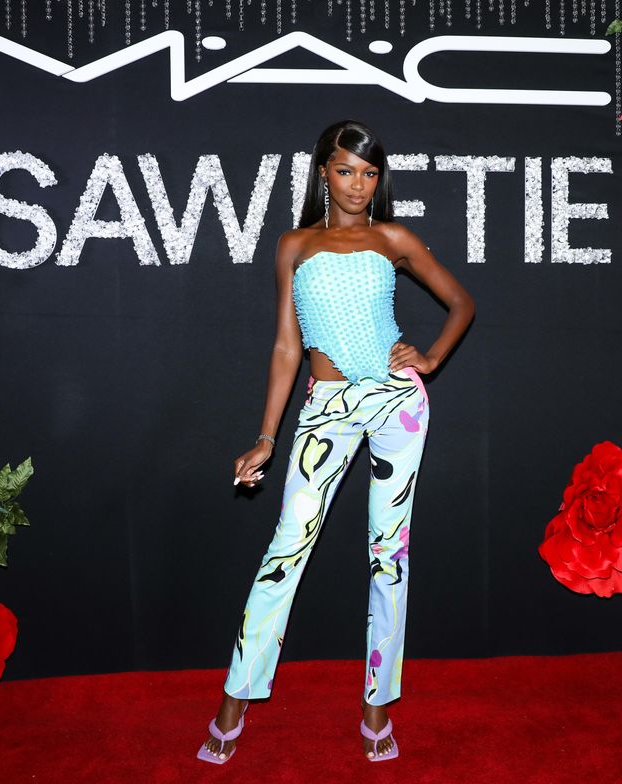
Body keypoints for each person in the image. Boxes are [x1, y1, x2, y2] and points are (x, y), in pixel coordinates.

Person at [197, 119, 475, 764]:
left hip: (398, 403)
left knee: (389, 554)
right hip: (326, 408)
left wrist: (430, 356)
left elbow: (461, 303)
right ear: (324, 171)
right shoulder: (294, 244)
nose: (357, 184)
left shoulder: (393, 238)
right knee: (285, 550)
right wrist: (266, 436)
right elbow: (286, 346)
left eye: (369, 173)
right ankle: (237, 694)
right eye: (346, 170)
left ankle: (378, 702)